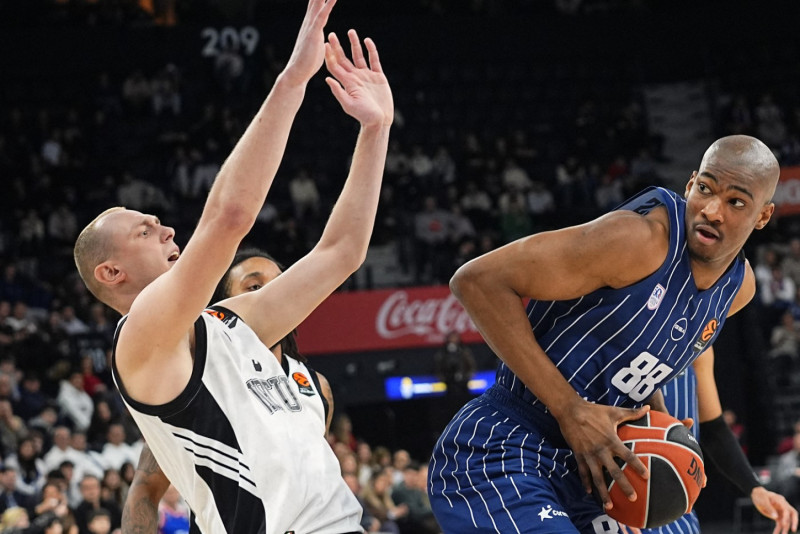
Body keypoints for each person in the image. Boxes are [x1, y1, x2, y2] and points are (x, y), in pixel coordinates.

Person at [72, 0, 393, 530]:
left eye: (159, 222)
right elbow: (230, 217)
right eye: (144, 231)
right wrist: (292, 80)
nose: (167, 230)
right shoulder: (141, 339)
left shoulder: (231, 323)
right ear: (111, 272)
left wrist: (376, 129)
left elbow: (342, 252)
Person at [428, 135, 795, 534]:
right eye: (705, 189)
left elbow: (638, 368)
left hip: (595, 470)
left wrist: (659, 430)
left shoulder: (737, 290)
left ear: (763, 216)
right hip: (508, 446)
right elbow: (476, 282)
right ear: (690, 183)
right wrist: (570, 409)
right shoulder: (638, 240)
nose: (712, 211)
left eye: (736, 202)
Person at [121, 248, 338, 531]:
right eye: (255, 287)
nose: (275, 294)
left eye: (281, 282)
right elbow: (145, 490)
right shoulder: (194, 385)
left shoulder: (316, 386)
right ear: (226, 308)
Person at [632, 349, 797, 534]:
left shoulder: (701, 342)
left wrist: (755, 488)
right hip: (625, 493)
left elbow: (714, 428)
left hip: (680, 502)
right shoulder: (626, 337)